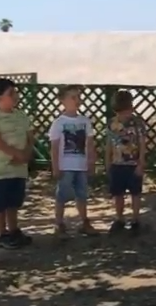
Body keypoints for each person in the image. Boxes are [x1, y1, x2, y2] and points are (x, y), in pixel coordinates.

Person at [0, 78, 35, 249]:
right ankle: (2, 233)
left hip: (19, 168)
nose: (15, 96)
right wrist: (16, 153)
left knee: (14, 201)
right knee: (0, 203)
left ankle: (14, 230)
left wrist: (26, 153)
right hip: (2, 169)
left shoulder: (21, 116)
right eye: (11, 93)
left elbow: (30, 137)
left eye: (16, 92)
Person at [48, 85, 98, 237]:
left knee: (82, 195)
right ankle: (59, 223)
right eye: (73, 97)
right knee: (62, 195)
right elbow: (54, 147)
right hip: (65, 166)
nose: (77, 100)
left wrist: (91, 162)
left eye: (79, 97)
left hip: (81, 165)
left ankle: (84, 222)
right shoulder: (59, 123)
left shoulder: (85, 121)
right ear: (62, 100)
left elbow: (90, 143)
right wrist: (55, 166)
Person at [106, 90, 147, 236]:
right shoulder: (112, 123)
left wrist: (141, 163)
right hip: (117, 163)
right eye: (120, 112)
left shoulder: (138, 123)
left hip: (133, 164)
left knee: (135, 193)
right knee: (118, 193)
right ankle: (119, 218)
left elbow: (142, 143)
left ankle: (135, 219)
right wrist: (108, 161)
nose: (124, 115)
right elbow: (109, 143)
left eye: (126, 111)